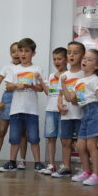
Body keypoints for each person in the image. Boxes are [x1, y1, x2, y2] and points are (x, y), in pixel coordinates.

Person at [62, 49, 98, 185]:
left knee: (91, 145)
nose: (85, 61)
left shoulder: (95, 80)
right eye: (84, 59)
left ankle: (96, 175)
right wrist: (63, 84)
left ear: (97, 66)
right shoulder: (79, 81)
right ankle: (86, 171)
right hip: (85, 113)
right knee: (80, 145)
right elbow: (71, 99)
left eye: (89, 60)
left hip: (95, 111)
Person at [0, 38, 45, 172]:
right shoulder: (14, 69)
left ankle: (38, 163)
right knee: (14, 137)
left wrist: (32, 86)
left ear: (33, 53)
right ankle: (12, 161)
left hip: (32, 110)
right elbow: (7, 86)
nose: (23, 54)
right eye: (20, 51)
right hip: (15, 109)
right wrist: (16, 85)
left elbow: (41, 88)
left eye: (26, 51)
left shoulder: (37, 68)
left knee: (34, 137)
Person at [0, 42, 28, 169]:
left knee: (22, 132)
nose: (16, 54)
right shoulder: (6, 67)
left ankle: (22, 160)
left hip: (22, 98)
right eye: (13, 51)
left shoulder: (27, 68)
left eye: (18, 51)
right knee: (2, 130)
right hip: (8, 99)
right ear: (10, 53)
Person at [51, 41, 85, 178]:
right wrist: (59, 105)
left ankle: (84, 168)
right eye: (69, 52)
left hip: (80, 114)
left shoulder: (84, 74)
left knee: (82, 143)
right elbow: (60, 94)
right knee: (65, 141)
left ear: (83, 56)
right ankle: (66, 166)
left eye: (76, 53)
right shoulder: (65, 75)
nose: (71, 55)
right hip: (66, 114)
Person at [36, 47, 68, 175]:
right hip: (50, 109)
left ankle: (65, 165)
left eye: (59, 58)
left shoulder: (68, 74)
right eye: (54, 59)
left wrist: (60, 77)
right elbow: (48, 92)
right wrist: (41, 81)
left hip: (63, 110)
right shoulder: (51, 75)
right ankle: (51, 165)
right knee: (50, 138)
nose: (56, 61)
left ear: (66, 59)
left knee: (65, 139)